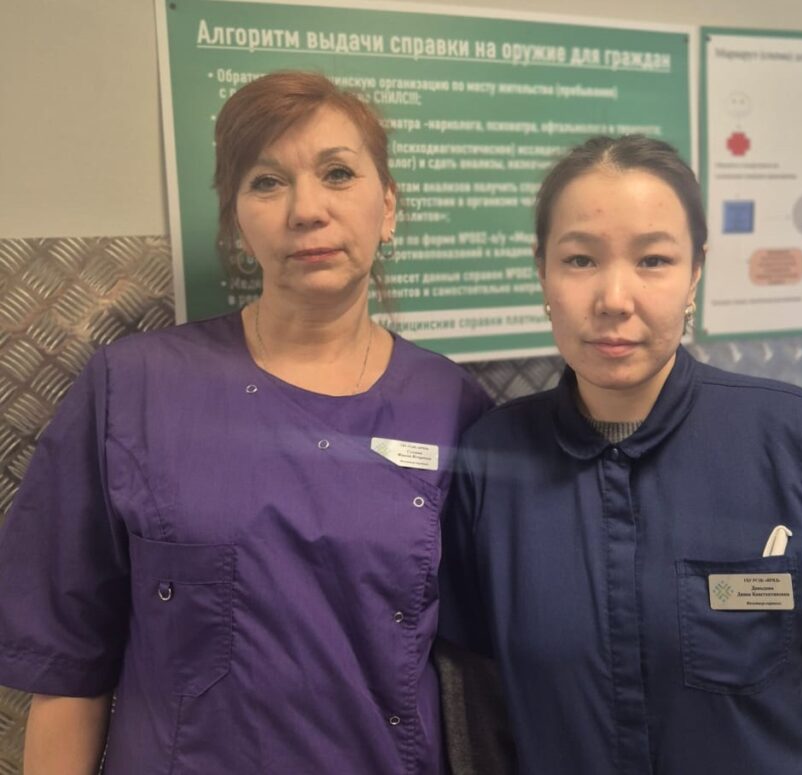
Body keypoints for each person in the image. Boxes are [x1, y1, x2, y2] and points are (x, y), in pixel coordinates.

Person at [0, 71, 491, 774]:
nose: (307, 210)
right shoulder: (133, 389)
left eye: (338, 173)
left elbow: (486, 661)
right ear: (235, 220)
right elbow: (67, 667)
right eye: (267, 182)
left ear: (387, 206)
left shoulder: (451, 406)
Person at [438, 135, 802, 774]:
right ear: (543, 270)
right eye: (580, 260)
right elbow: (475, 709)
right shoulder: (491, 462)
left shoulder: (793, 438)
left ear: (695, 271)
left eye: (653, 260)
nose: (614, 299)